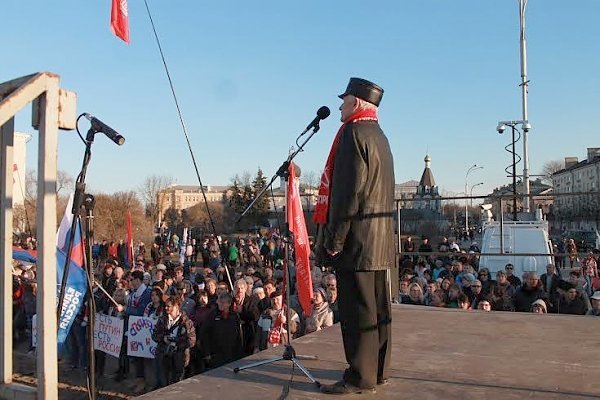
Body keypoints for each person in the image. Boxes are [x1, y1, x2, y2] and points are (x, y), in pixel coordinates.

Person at [316, 78, 393, 395]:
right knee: (378, 309)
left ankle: (360, 376)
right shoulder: (379, 136)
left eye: (344, 100)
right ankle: (378, 370)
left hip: (357, 242)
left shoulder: (351, 134)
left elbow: (349, 194)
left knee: (356, 311)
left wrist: (334, 241)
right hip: (378, 241)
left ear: (357, 103)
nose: (339, 106)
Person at [152, 296, 196, 386]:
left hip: (179, 357)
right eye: (166, 306)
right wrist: (163, 338)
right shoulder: (162, 320)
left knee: (177, 385)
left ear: (176, 307)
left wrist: (177, 343)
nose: (166, 308)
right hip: (163, 355)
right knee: (163, 383)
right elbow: (154, 335)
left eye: (169, 306)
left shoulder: (186, 322)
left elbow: (191, 340)